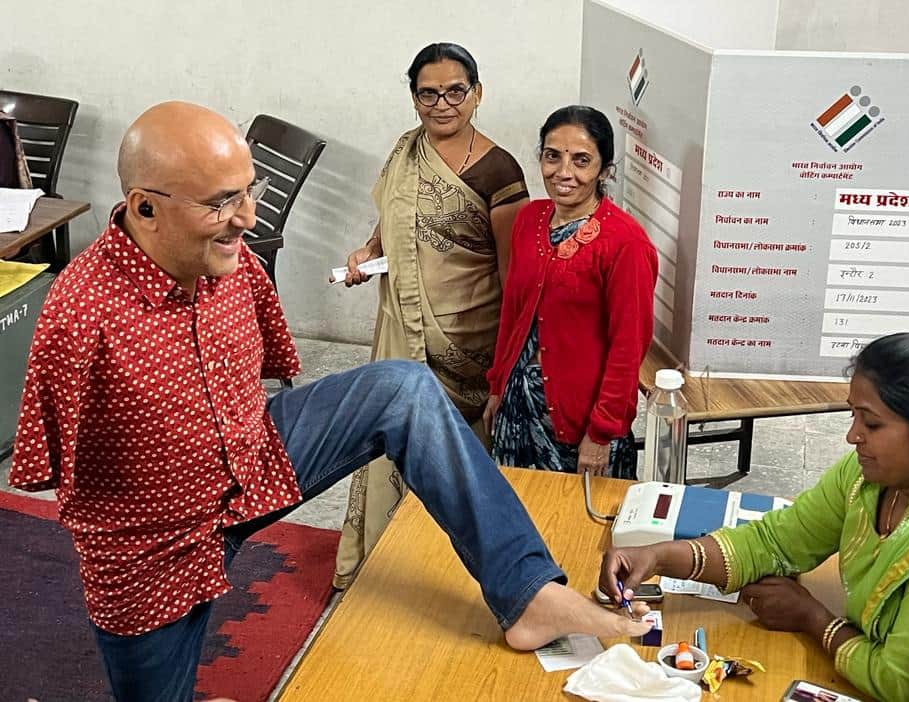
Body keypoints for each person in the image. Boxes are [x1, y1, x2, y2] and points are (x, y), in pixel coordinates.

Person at [8, 101, 649, 702]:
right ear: (145, 208)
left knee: (401, 389)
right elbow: (64, 483)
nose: (247, 218)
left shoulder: (231, 260)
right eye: (223, 202)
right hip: (157, 545)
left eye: (249, 191)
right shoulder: (81, 314)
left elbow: (275, 372)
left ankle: (528, 593)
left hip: (253, 461)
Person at [601, 332, 909, 701]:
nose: (852, 436)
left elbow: (905, 684)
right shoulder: (871, 476)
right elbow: (775, 541)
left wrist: (814, 618)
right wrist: (658, 556)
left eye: (872, 424)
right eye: (854, 415)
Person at [335, 42, 530, 589]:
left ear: (477, 94)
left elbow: (513, 276)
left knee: (457, 463)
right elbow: (392, 221)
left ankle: (457, 572)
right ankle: (384, 565)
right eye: (428, 94)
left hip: (469, 344)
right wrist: (367, 251)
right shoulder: (407, 149)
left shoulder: (498, 170)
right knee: (391, 441)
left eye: (455, 91)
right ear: (414, 97)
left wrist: (505, 367)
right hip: (402, 328)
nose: (442, 104)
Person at [483, 105, 657, 479]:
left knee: (578, 514)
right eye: (552, 157)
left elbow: (628, 346)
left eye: (581, 160)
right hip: (518, 406)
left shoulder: (625, 243)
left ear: (604, 170)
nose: (564, 172)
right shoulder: (530, 219)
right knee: (513, 508)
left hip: (581, 422)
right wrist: (498, 385)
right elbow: (513, 311)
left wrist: (602, 431)